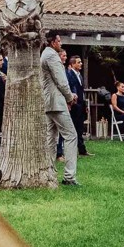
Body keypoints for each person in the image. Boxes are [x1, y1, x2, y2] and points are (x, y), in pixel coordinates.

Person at [40, 30, 79, 186]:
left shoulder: (45, 54)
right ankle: (69, 176)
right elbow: (61, 81)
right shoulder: (52, 56)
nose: (61, 43)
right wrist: (70, 97)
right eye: (59, 41)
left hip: (49, 102)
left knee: (51, 138)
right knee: (71, 135)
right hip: (56, 103)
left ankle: (49, 172)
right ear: (53, 42)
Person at [66, 54, 89, 156]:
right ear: (72, 64)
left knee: (80, 128)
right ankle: (73, 150)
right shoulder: (69, 74)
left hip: (81, 104)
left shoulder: (79, 75)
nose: (81, 64)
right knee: (74, 128)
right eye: (78, 62)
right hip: (74, 104)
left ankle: (82, 150)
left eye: (81, 62)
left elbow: (81, 91)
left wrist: (85, 104)